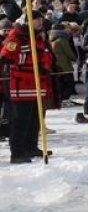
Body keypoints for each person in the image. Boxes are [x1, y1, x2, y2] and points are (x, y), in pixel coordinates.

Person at [0, 12, 53, 163]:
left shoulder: (39, 37)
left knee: (34, 120)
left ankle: (31, 147)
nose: (40, 22)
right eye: (37, 19)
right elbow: (6, 57)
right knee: (20, 121)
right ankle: (17, 153)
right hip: (21, 86)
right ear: (28, 21)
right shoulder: (17, 36)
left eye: (41, 19)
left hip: (37, 85)